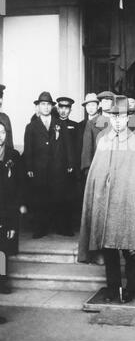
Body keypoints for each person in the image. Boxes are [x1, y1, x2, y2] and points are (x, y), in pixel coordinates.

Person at [78, 96, 135, 303]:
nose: (117, 121)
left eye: (121, 117)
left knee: (130, 249)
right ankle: (113, 289)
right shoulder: (103, 141)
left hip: (129, 205)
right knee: (109, 250)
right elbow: (96, 173)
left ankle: (130, 288)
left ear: (128, 118)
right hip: (106, 206)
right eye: (113, 117)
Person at [23, 92, 74, 238]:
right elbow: (28, 150)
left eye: (48, 104)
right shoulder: (31, 126)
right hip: (39, 170)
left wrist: (70, 162)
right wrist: (29, 168)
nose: (46, 107)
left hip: (57, 168)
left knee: (59, 198)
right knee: (40, 199)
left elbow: (68, 145)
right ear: (38, 107)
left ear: (52, 107)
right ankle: (41, 229)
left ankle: (62, 228)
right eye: (43, 104)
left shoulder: (60, 124)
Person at [0, 122, 26, 294]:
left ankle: (2, 282)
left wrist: (19, 207)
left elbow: (20, 185)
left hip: (7, 209)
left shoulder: (13, 155)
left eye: (2, 132)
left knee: (2, 251)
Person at [56, 96, 79, 235]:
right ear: (58, 108)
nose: (64, 111)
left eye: (67, 108)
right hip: (56, 168)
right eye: (61, 107)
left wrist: (73, 165)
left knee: (69, 198)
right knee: (57, 197)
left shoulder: (75, 126)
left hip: (70, 169)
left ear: (70, 109)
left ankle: (67, 226)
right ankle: (58, 226)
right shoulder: (53, 124)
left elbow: (77, 147)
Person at [80, 90, 114, 174]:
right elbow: (87, 149)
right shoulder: (91, 123)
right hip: (98, 167)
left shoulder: (118, 122)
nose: (106, 103)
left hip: (114, 165)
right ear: (100, 104)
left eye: (109, 100)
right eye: (104, 101)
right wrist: (87, 169)